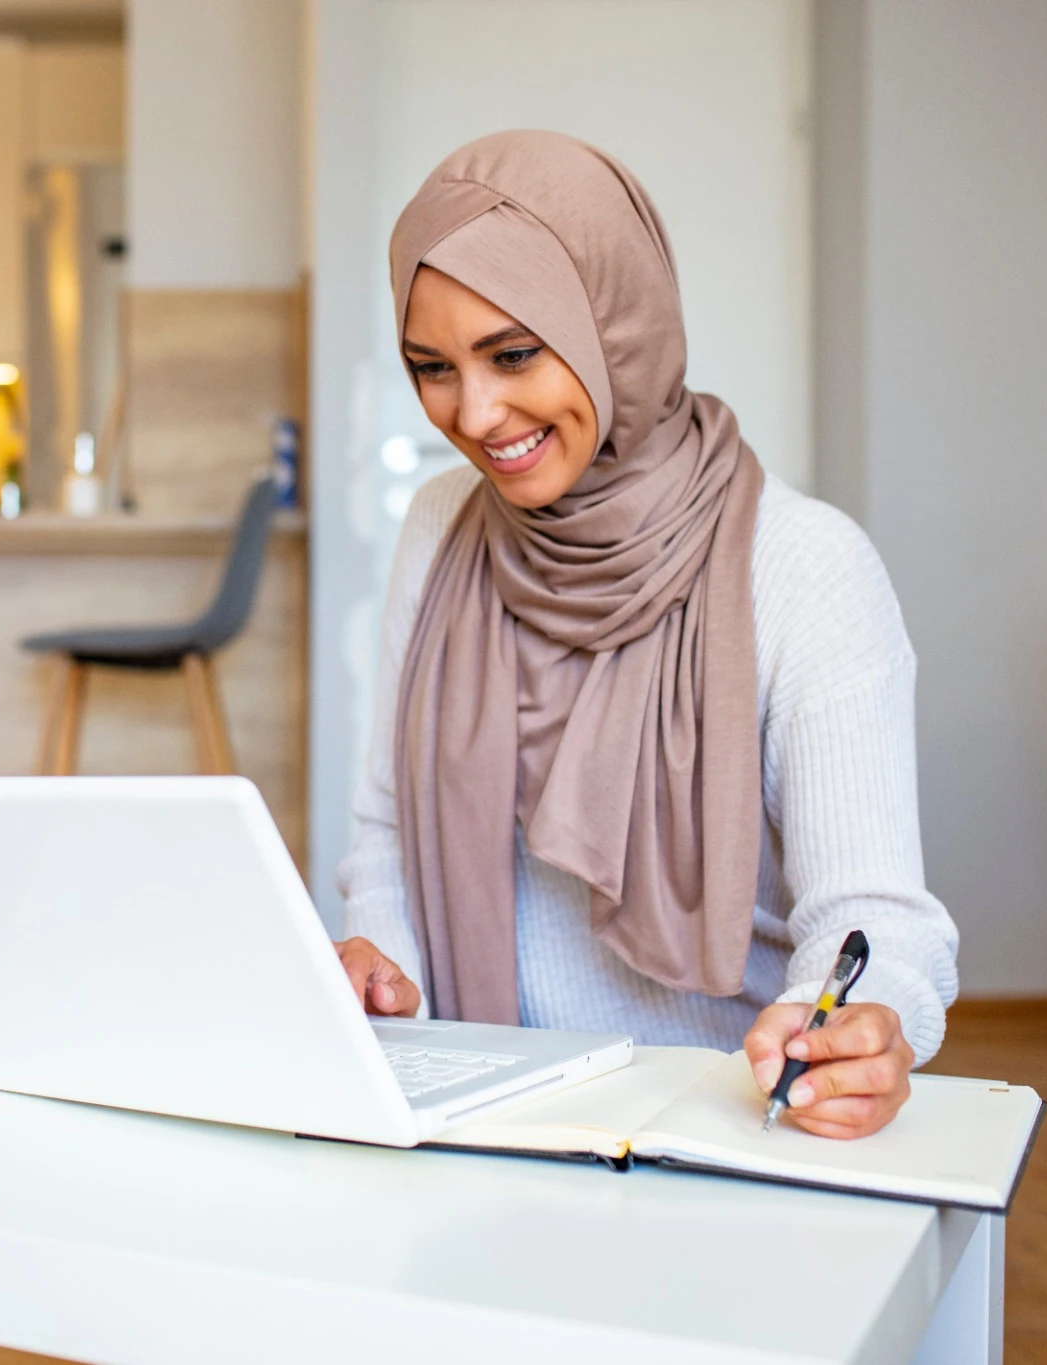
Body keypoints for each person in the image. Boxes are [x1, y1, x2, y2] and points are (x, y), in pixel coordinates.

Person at [334, 130, 958, 1140]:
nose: (476, 412)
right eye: (431, 367)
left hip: (713, 1128)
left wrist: (854, 1024)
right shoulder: (441, 527)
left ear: (611, 326)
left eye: (511, 353)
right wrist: (382, 967)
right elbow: (385, 838)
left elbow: (875, 925)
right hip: (474, 1120)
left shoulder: (803, 567)